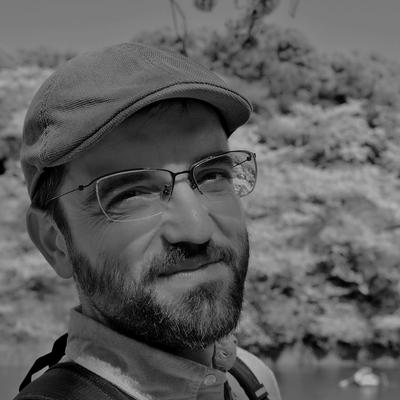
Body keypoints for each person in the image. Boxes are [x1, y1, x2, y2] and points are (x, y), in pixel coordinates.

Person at [14, 42, 281, 400]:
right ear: (55, 243)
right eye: (131, 193)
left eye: (213, 175)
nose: (197, 229)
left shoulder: (252, 379)